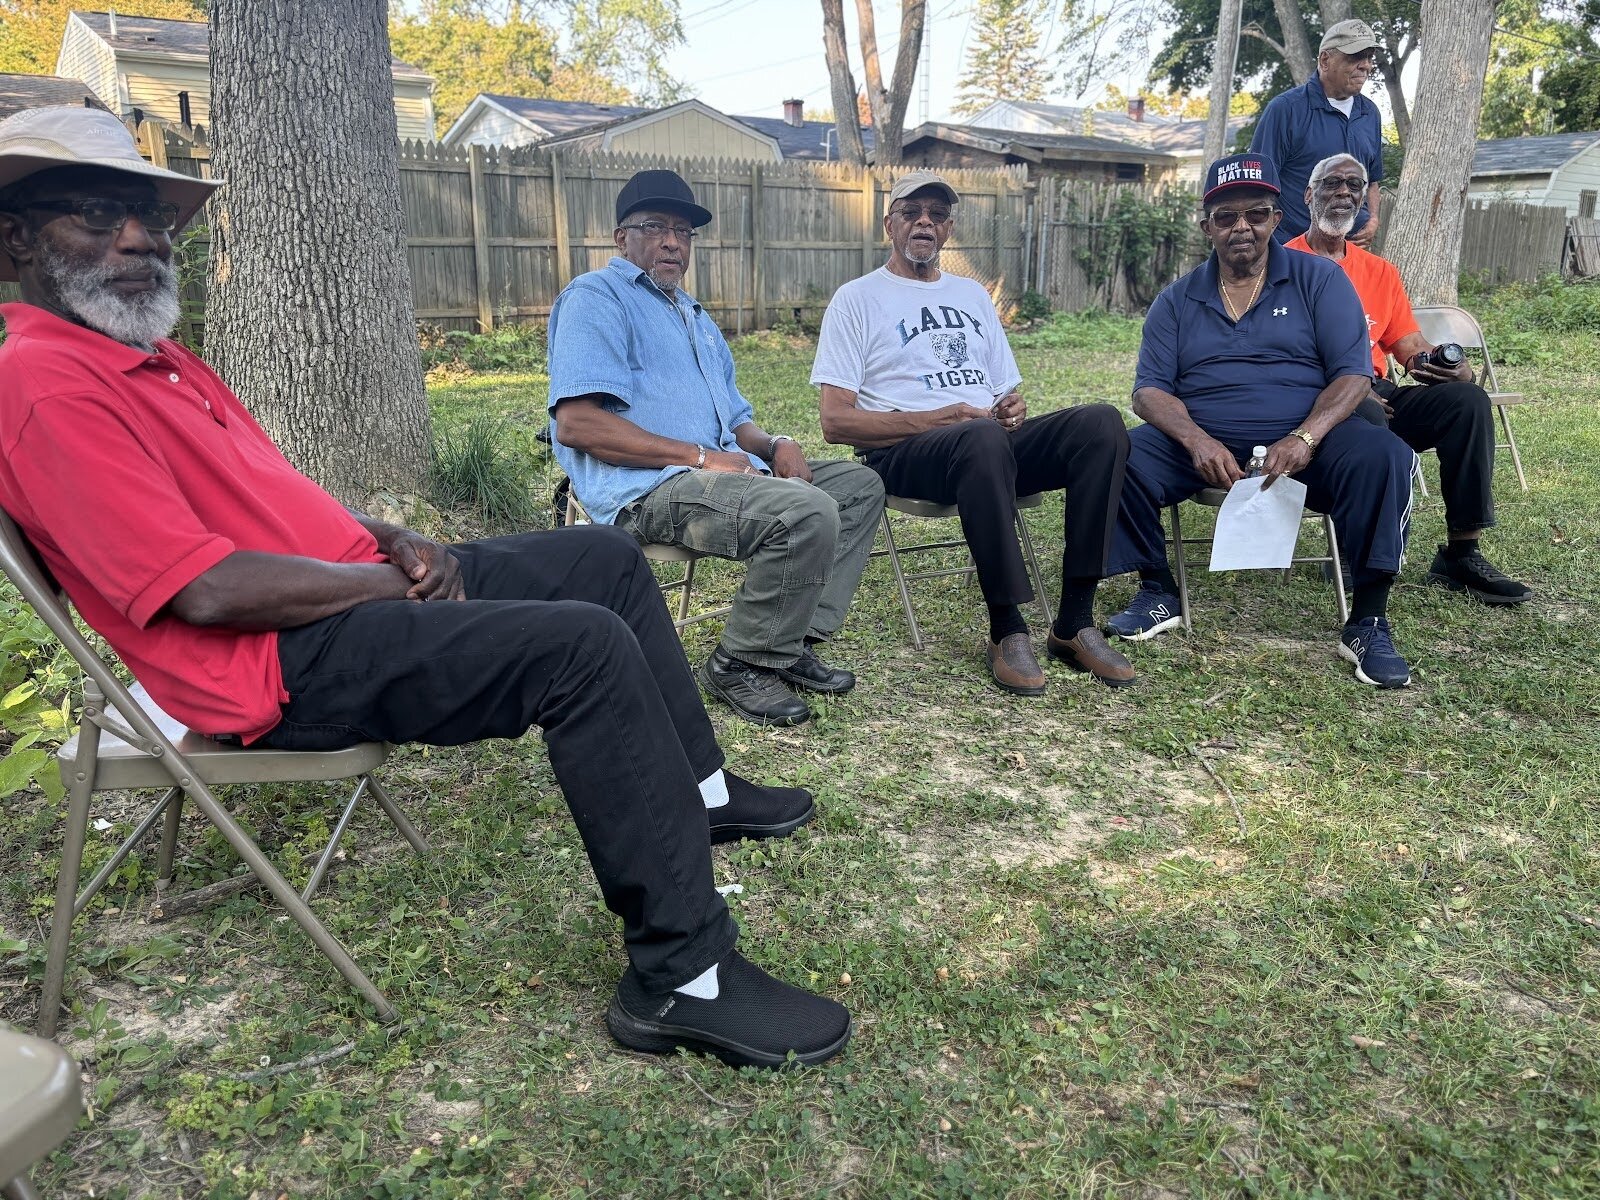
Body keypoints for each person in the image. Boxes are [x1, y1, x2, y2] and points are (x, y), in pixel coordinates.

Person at [0, 105, 850, 1069]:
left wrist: (392, 537)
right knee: (577, 646)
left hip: (341, 591)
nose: (137, 238)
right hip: (275, 664)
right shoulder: (46, 381)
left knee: (603, 564)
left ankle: (699, 796)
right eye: (94, 213)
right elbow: (203, 590)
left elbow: (270, 502)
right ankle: (680, 977)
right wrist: (378, 583)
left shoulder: (154, 358)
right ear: (19, 237)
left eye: (147, 216)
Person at [547, 170, 885, 728]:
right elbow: (579, 425)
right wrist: (701, 458)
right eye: (655, 227)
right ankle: (741, 662)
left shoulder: (694, 315)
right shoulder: (596, 299)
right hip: (649, 489)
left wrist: (778, 444)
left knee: (855, 486)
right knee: (806, 511)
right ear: (620, 237)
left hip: (720, 472)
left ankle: (791, 636)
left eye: (683, 232)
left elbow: (736, 422)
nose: (673, 242)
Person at [811, 171, 1134, 696]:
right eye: (912, 211)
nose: (924, 222)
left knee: (1099, 423)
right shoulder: (857, 299)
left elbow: (1003, 391)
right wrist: (940, 419)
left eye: (936, 215)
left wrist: (1011, 408)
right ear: (888, 222)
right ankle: (1007, 627)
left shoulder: (972, 296)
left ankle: (1074, 621)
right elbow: (834, 423)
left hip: (984, 444)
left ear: (948, 229)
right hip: (905, 453)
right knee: (979, 438)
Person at [1103, 153, 1419, 689]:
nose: (1241, 227)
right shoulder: (1176, 300)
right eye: (1226, 217)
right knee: (1115, 456)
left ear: (1277, 219)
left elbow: (1352, 376)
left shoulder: (1320, 280)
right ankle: (1157, 589)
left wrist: (1305, 436)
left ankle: (1367, 620)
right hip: (1204, 444)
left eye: (1255, 213)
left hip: (1307, 440)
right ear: (1207, 227)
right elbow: (1149, 391)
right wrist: (1196, 440)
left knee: (1385, 455)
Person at [1286, 153, 1530, 605]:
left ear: (1364, 198)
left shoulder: (1380, 271)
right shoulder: (1282, 265)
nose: (1344, 193)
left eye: (1354, 186)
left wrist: (1446, 367)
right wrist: (1350, 388)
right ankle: (1362, 551)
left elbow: (1408, 347)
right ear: (1308, 195)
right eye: (1332, 184)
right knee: (1361, 406)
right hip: (1314, 397)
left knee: (1468, 401)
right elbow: (1274, 357)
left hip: (1381, 391)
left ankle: (1461, 553)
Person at [1249, 18, 1385, 246]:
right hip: (1295, 253)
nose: (1366, 65)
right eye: (1355, 57)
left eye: (1369, 57)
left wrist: (1373, 219)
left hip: (1351, 252)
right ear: (1325, 60)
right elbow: (1259, 183)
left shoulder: (1370, 113)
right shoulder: (1287, 109)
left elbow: (1372, 181)